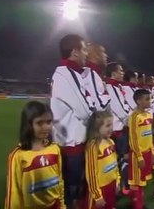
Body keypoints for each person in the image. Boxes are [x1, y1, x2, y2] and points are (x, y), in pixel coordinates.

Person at [50, 34, 94, 208]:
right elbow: (85, 111)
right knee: (71, 192)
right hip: (71, 147)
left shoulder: (68, 73)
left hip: (69, 143)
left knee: (72, 190)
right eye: (84, 50)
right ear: (74, 52)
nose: (86, 54)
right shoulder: (67, 74)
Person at [5, 101, 65, 209]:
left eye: (49, 122)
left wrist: (62, 205)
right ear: (29, 124)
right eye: (39, 123)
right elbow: (14, 193)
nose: (46, 127)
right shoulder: (18, 155)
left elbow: (59, 182)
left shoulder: (54, 149)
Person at [83, 111, 120, 209]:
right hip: (99, 189)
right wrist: (97, 195)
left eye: (111, 125)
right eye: (107, 126)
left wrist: (117, 181)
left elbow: (115, 164)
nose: (111, 128)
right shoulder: (93, 147)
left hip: (111, 186)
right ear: (97, 127)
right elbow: (91, 174)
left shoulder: (111, 142)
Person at [105, 62, 131, 192]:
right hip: (117, 130)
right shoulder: (110, 88)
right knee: (120, 159)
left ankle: (122, 184)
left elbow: (125, 106)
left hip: (120, 128)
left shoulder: (116, 87)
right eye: (120, 71)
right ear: (113, 73)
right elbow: (120, 110)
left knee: (122, 158)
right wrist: (130, 122)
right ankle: (121, 186)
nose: (122, 73)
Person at [128, 89, 154, 209]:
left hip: (148, 153)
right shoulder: (134, 117)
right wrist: (139, 156)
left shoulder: (148, 114)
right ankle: (137, 205)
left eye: (149, 98)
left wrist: (152, 151)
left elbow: (149, 135)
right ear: (138, 101)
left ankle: (136, 201)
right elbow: (133, 138)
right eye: (147, 99)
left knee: (142, 181)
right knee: (137, 182)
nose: (149, 101)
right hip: (138, 155)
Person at [83, 43, 111, 111]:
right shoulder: (89, 74)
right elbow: (99, 108)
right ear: (96, 55)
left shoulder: (96, 73)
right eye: (103, 52)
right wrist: (106, 92)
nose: (106, 56)